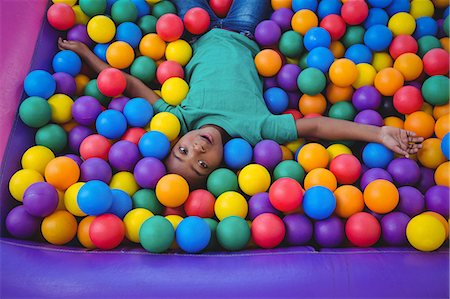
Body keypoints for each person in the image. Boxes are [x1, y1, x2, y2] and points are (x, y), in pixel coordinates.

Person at [58, 0, 423, 189]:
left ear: (175, 139)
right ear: (220, 169)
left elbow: (131, 85)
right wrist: (377, 132)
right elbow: (313, 128)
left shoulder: (180, 117)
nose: (197, 150)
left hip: (195, 29)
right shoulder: (255, 129)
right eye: (201, 164)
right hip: (245, 30)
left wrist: (87, 55)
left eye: (182, 151)